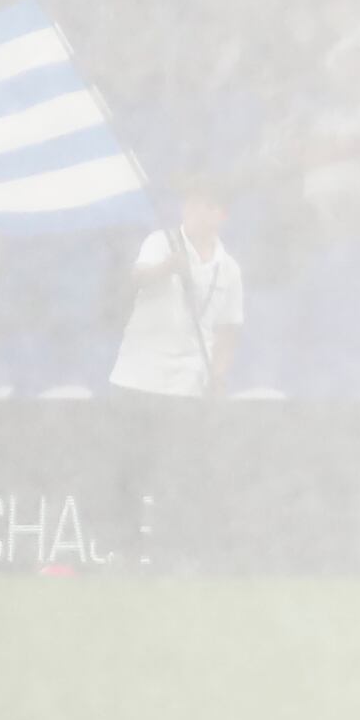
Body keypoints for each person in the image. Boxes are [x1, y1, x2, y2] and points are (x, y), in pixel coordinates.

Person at [107, 186, 243, 546]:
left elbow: (228, 329)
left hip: (186, 382)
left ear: (221, 215)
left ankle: (173, 549)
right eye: (190, 203)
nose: (193, 211)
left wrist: (219, 374)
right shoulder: (161, 242)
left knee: (177, 473)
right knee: (128, 471)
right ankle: (123, 548)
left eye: (205, 205)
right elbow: (136, 277)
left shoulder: (229, 269)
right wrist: (169, 267)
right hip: (137, 375)